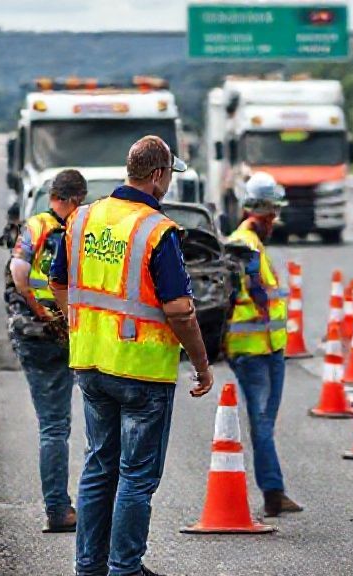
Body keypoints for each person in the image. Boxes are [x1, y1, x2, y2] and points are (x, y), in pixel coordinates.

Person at [49, 135, 214, 576]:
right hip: (141, 371)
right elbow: (179, 308)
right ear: (158, 175)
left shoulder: (83, 218)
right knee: (136, 476)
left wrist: (77, 323)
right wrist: (200, 363)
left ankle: (89, 567)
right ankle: (125, 568)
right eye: (168, 179)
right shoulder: (156, 230)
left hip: (91, 364)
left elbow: (58, 284)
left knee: (100, 466)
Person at [6, 168, 86, 533]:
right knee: (57, 426)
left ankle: (61, 506)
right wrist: (49, 313)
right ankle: (58, 509)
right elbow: (21, 271)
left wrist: (35, 309)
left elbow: (19, 270)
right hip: (57, 334)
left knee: (52, 424)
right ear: (72, 199)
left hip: (32, 334)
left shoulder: (33, 226)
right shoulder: (71, 229)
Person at [225, 172, 301, 517]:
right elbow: (254, 286)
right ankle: (273, 492)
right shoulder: (245, 243)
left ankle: (274, 490)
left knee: (264, 420)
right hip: (253, 350)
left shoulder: (249, 242)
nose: (276, 220)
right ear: (265, 212)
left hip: (266, 346)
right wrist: (260, 303)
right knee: (262, 420)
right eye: (274, 213)